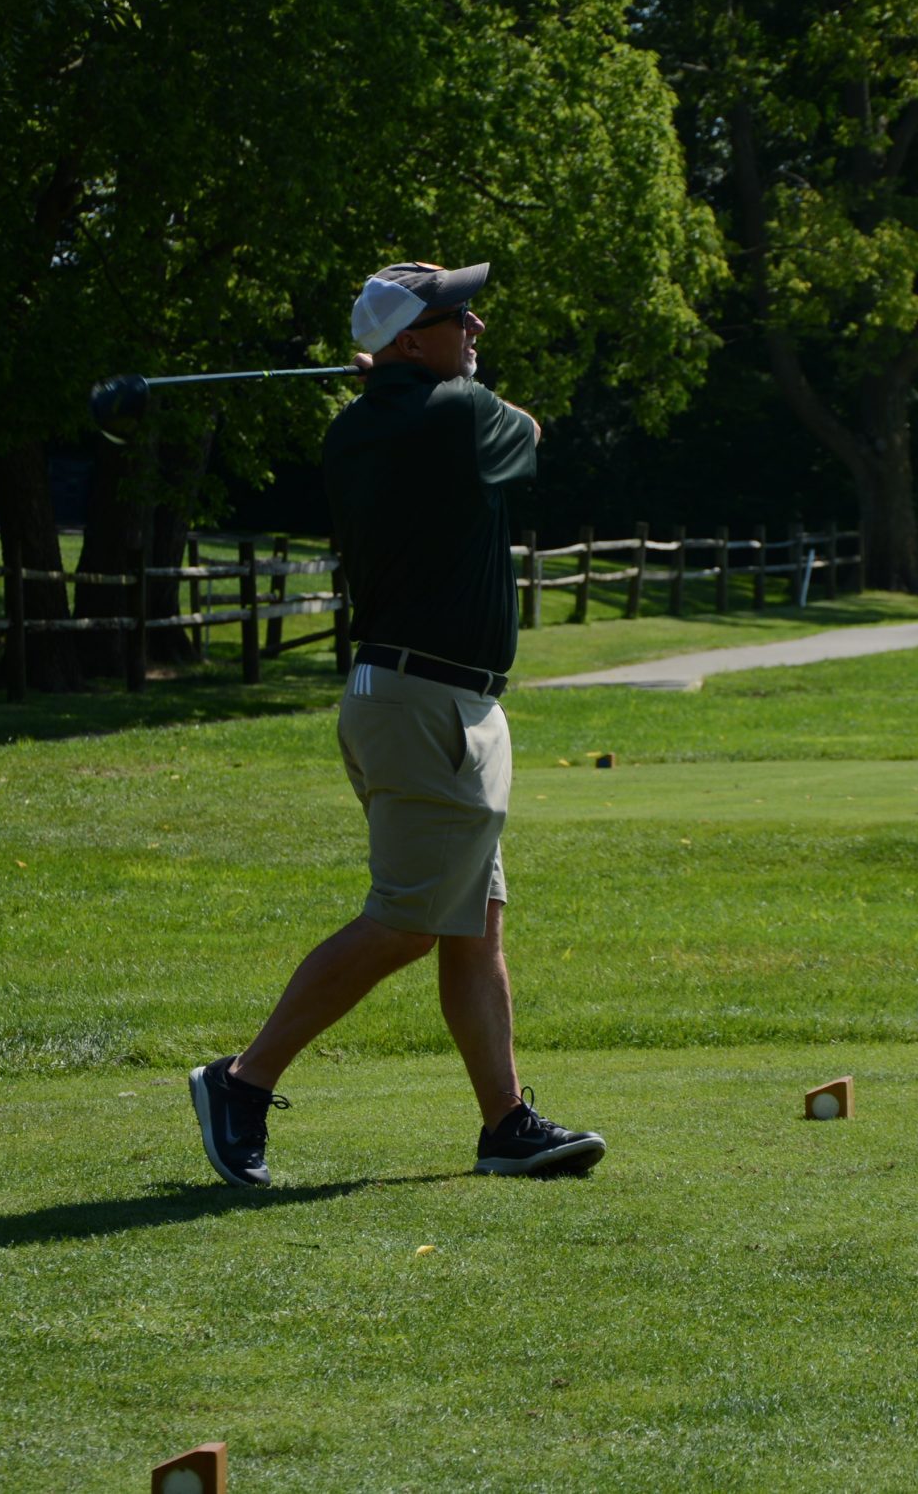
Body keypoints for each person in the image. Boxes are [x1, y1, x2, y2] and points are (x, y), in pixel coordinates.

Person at [189, 260, 606, 1187]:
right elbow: (532, 431)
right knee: (409, 923)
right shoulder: (456, 412)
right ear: (413, 340)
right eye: (459, 316)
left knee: (473, 925)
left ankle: (506, 1124)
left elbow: (427, 416)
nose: (477, 328)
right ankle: (241, 1081)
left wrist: (392, 376)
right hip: (428, 704)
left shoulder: (355, 427)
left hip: (428, 698)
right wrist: (420, 379)